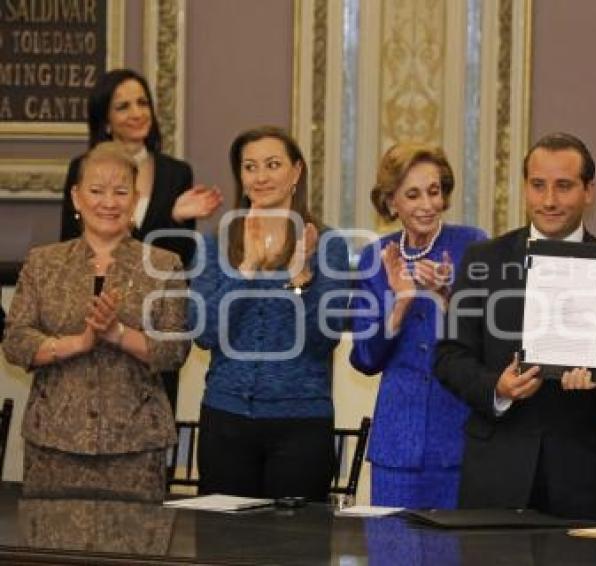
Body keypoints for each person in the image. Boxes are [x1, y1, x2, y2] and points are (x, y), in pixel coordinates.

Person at [434, 133, 596, 521]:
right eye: (538, 186)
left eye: (564, 186)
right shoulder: (483, 259)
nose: (549, 200)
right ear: (525, 189)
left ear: (589, 191)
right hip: (496, 476)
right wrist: (498, 388)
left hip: (587, 482)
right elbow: (450, 356)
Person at [2, 142, 190, 501]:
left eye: (121, 192)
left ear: (135, 199)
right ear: (76, 197)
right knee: (53, 553)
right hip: (54, 443)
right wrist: (77, 343)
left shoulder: (164, 265)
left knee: (134, 554)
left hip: (135, 446)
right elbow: (16, 341)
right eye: (96, 191)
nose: (108, 202)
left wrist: (117, 333)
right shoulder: (43, 263)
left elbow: (174, 350)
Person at [189, 126, 349, 501]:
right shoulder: (214, 245)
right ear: (240, 178)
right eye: (250, 167)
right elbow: (204, 332)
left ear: (296, 172)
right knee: (223, 546)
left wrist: (299, 279)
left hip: (302, 424)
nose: (261, 177)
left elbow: (322, 340)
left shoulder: (328, 246)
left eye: (273, 164)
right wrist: (246, 269)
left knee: (295, 550)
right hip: (225, 419)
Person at [59, 68, 222, 412]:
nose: (136, 113)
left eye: (142, 103)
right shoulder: (81, 168)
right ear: (105, 120)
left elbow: (176, 259)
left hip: (153, 324)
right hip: (94, 321)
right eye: (123, 107)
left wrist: (176, 221)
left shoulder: (176, 172)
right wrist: (168, 217)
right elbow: (71, 246)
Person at [349, 143, 487, 508]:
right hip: (397, 442)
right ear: (392, 202)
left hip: (458, 434)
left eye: (434, 191)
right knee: (393, 552)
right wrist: (401, 302)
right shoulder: (374, 257)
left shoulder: (473, 245)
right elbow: (363, 358)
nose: (427, 204)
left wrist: (446, 296)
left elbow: (491, 336)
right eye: (413, 194)